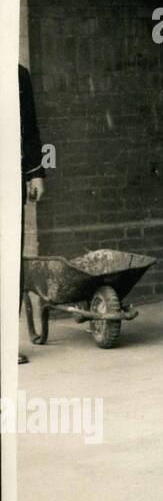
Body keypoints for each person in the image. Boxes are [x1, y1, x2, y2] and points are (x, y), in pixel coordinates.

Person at [18, 64, 46, 364]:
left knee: (8, 258)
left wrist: (35, 172)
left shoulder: (17, 74)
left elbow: (29, 124)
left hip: (8, 175)